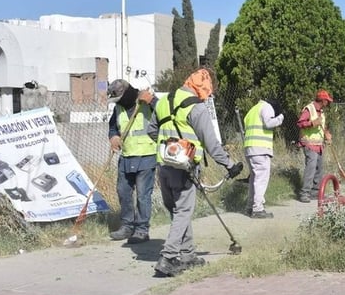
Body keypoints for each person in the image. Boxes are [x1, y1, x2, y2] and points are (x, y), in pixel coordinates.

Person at [147, 68, 242, 277]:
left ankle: (188, 255)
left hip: (163, 166)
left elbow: (151, 130)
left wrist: (170, 147)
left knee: (179, 211)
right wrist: (229, 165)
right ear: (203, 87)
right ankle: (168, 257)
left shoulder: (164, 101)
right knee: (183, 211)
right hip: (184, 168)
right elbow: (212, 144)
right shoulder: (196, 108)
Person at [107, 79, 158, 244]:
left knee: (143, 195)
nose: (119, 101)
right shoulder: (118, 108)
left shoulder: (144, 102)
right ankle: (127, 226)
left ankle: (142, 230)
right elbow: (113, 127)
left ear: (128, 93)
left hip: (146, 155)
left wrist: (152, 101)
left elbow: (165, 114)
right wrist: (113, 137)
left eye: (120, 98)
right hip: (126, 156)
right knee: (123, 192)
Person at [243, 98, 284, 218]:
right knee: (261, 179)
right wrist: (280, 117)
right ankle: (258, 209)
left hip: (249, 147)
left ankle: (250, 207)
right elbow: (269, 123)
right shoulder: (267, 107)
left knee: (254, 179)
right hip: (260, 148)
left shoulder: (252, 109)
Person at [296, 89, 333, 203]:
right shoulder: (309, 109)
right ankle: (304, 193)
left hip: (319, 145)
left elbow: (321, 126)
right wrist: (312, 123)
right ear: (323, 100)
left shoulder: (321, 112)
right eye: (327, 100)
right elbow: (300, 123)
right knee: (310, 169)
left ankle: (315, 193)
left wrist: (326, 134)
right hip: (309, 144)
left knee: (319, 169)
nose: (328, 103)